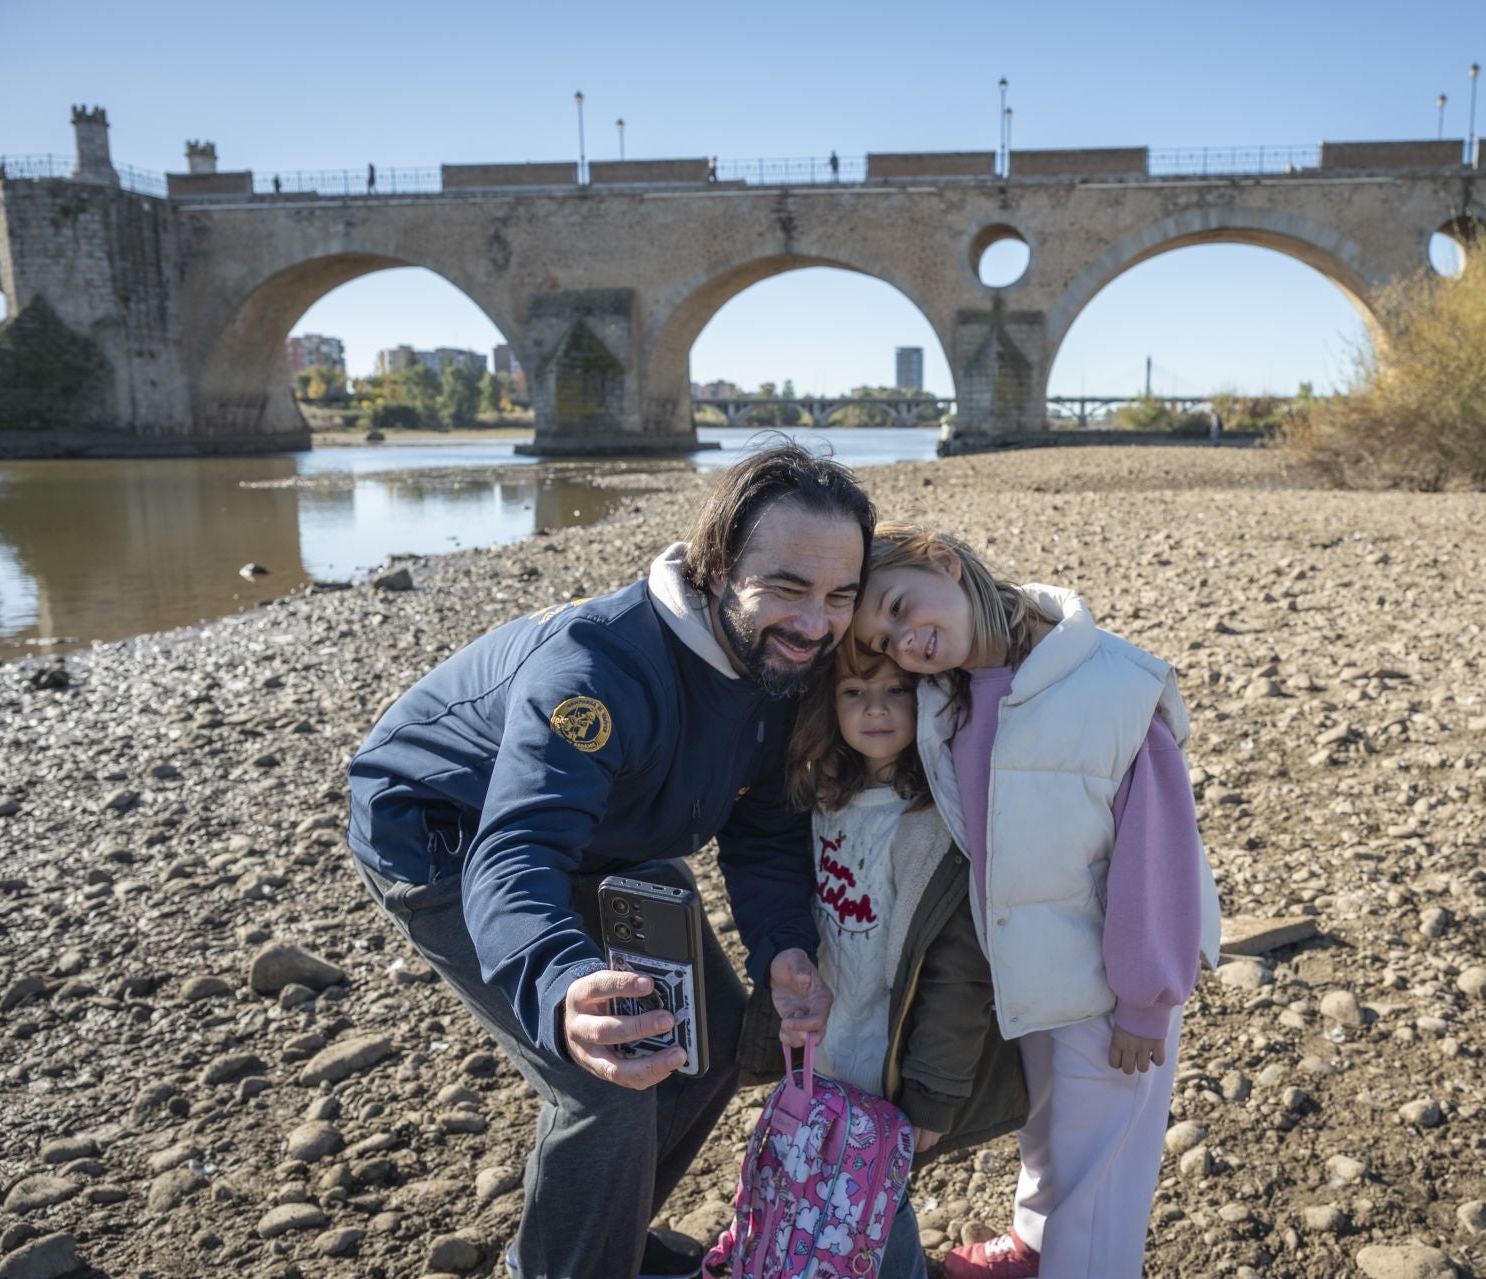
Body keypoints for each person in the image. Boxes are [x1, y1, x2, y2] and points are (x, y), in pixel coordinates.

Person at [348, 444, 875, 1279]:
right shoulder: (595, 671)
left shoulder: (786, 664)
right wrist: (562, 987)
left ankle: (595, 1244)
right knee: (610, 1079)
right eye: (786, 587)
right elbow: (516, 852)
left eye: (839, 595)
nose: (816, 623)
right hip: (445, 832)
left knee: (711, 1046)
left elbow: (765, 828)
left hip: (614, 837)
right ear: (714, 565)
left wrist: (783, 947)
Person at [852, 523, 1224, 1279]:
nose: (903, 640)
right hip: (1028, 966)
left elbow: (1160, 854)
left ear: (945, 563)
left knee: (1102, 1171)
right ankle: (1036, 1245)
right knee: (1048, 1128)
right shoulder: (946, 700)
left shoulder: (1111, 685)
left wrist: (1145, 1000)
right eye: (883, 640)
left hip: (1112, 979)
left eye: (899, 606)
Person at [739, 643, 1027, 1278]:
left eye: (895, 690)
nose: (874, 709)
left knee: (879, 1195)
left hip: (889, 1058)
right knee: (838, 1192)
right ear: (827, 702)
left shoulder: (936, 823)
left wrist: (932, 1090)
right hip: (828, 1042)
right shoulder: (820, 796)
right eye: (853, 692)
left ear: (929, 696)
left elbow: (960, 971)